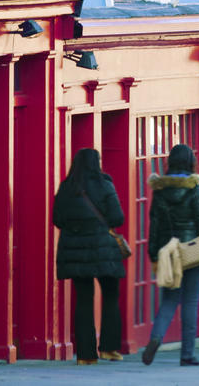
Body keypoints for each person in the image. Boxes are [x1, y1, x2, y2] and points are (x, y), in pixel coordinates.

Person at [143, 144, 199, 367]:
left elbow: (154, 225)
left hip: (168, 251)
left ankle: (155, 338)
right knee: (190, 301)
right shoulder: (194, 186)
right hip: (192, 249)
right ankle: (187, 355)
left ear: (170, 162)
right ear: (190, 162)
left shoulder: (159, 190)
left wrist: (153, 256)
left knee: (169, 300)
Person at [53, 148, 128, 364]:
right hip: (104, 249)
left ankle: (86, 355)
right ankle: (109, 348)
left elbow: (57, 219)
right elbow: (117, 217)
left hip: (76, 251)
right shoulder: (105, 184)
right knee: (111, 296)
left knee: (84, 300)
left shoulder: (66, 188)